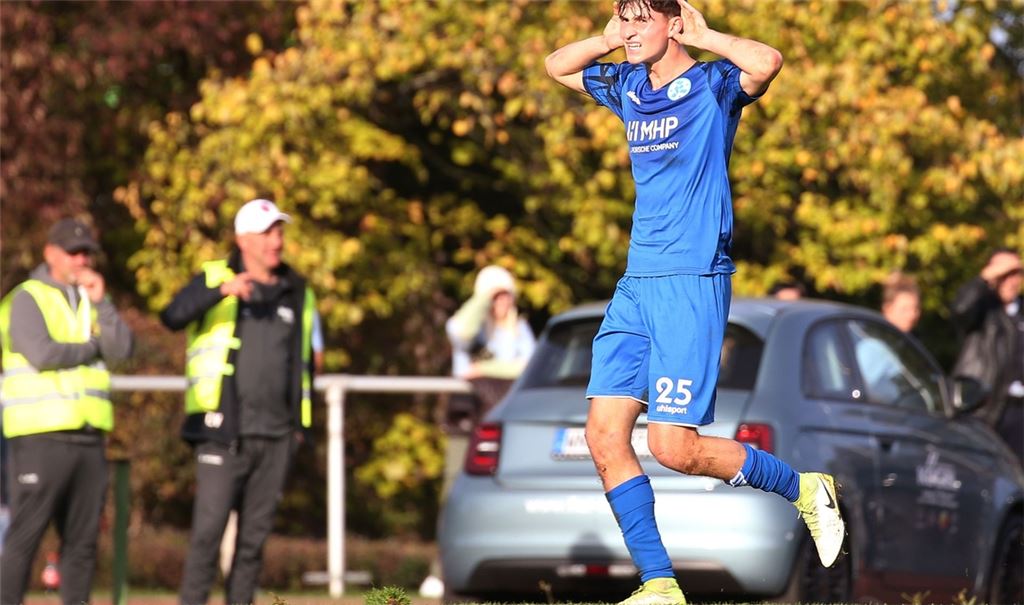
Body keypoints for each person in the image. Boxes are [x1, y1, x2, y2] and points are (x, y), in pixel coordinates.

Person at [545, 1, 844, 602]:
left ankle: (807, 488)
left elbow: (767, 61)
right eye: (621, 18)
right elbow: (557, 65)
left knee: (671, 448)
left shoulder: (711, 83)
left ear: (673, 24)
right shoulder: (627, 83)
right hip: (637, 283)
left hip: (692, 281)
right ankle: (659, 585)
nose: (629, 31)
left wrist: (707, 35)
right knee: (606, 436)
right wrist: (609, 41)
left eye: (640, 20)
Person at [160, 199, 317, 605]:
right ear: (243, 239)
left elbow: (303, 363)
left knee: (253, 544)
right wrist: (222, 291)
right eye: (268, 233)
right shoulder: (215, 275)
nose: (277, 242)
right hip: (222, 432)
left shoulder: (297, 290)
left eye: (280, 232)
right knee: (208, 536)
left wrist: (300, 428)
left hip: (277, 435)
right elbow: (172, 315)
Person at [0, 217, 133, 605]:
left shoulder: (92, 299)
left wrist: (103, 304)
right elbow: (43, 354)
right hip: (41, 437)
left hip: (89, 437)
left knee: (82, 545)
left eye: (86, 253)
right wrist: (94, 347)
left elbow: (123, 350)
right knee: (24, 539)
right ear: (50, 253)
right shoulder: (26, 297)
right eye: (73, 252)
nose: (81, 260)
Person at [421, 265, 537, 598]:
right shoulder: (471, 327)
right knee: (453, 491)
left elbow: (527, 366)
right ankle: (440, 570)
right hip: (467, 418)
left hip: (500, 421)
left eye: (505, 295)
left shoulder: (520, 331)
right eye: (495, 295)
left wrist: (483, 369)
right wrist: (482, 299)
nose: (501, 302)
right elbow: (458, 333)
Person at [950, 248, 1023, 464]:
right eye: (1004, 275)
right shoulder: (983, 310)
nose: (1010, 281)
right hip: (985, 409)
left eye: (1015, 273)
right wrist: (985, 278)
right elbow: (960, 310)